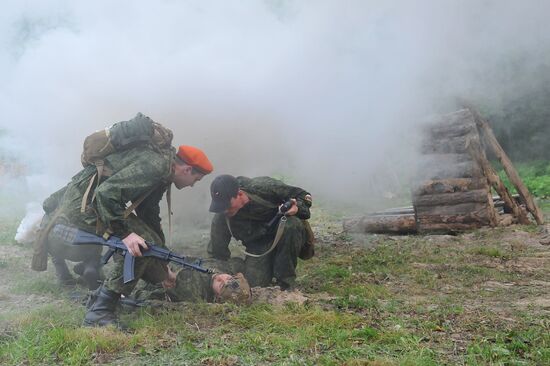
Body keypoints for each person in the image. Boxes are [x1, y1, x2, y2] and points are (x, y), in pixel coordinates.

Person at [36, 140, 213, 327]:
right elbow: (105, 193)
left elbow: (148, 213)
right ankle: (100, 312)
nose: (193, 185)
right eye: (196, 179)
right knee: (141, 244)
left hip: (93, 202)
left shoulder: (164, 170)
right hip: (84, 206)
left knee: (148, 243)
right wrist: (125, 234)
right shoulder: (155, 166)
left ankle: (100, 295)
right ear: (186, 170)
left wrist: (162, 259)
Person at [207, 174, 313, 290]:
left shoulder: (262, 188)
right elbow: (217, 254)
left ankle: (286, 282)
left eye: (227, 205)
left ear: (239, 194)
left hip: (285, 232)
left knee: (291, 224)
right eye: (221, 207)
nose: (225, 210)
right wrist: (219, 275)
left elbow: (304, 196)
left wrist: (297, 208)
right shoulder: (222, 218)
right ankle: (267, 266)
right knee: (255, 284)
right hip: (259, 248)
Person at [131, 257, 251, 304]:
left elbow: (166, 286)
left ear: (217, 297)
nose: (221, 278)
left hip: (156, 274)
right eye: (228, 278)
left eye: (221, 286)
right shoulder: (226, 269)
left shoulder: (193, 291)